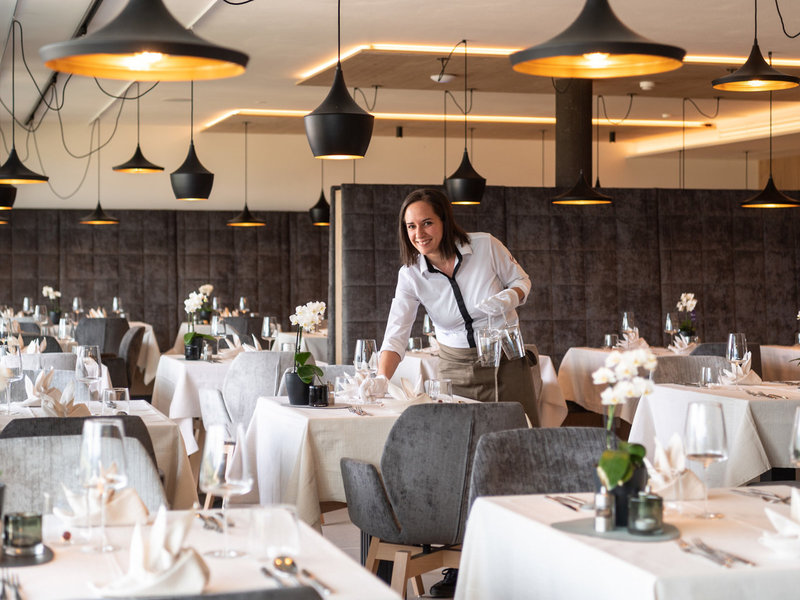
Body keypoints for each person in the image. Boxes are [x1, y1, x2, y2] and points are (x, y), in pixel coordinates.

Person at [376, 188, 538, 596]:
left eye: (427, 222)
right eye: (411, 227)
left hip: (507, 359)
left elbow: (522, 281)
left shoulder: (485, 246)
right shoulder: (411, 274)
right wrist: (380, 378)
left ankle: (525, 554)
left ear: (445, 220)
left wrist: (509, 297)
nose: (419, 233)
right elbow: (396, 334)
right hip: (456, 367)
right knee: (460, 464)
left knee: (519, 454)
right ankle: (459, 560)